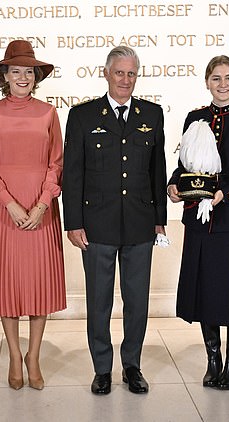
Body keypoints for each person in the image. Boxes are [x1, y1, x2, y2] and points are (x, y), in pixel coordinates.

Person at [63, 46, 167, 395]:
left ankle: (132, 366)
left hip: (140, 223)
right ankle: (102, 368)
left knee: (137, 301)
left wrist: (160, 221)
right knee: (99, 300)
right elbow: (73, 174)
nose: (126, 80)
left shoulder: (151, 114)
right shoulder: (82, 116)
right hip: (97, 225)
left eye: (131, 73)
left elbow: (157, 170)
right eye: (119, 73)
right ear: (106, 74)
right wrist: (73, 222)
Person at [167, 55, 229, 390]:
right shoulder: (195, 117)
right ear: (207, 81)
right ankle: (213, 359)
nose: (222, 84)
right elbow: (185, 164)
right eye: (216, 78)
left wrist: (225, 192)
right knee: (206, 291)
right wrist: (172, 184)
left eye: (228, 78)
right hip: (199, 219)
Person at [0, 40, 66, 391]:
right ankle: (14, 355)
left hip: (41, 207)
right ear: (5, 75)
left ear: (36, 76)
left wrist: (43, 202)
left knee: (38, 284)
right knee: (8, 283)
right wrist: (9, 203)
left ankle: (34, 355)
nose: (23, 76)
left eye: (29, 71)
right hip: (4, 209)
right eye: (16, 70)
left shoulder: (48, 113)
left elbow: (56, 163)